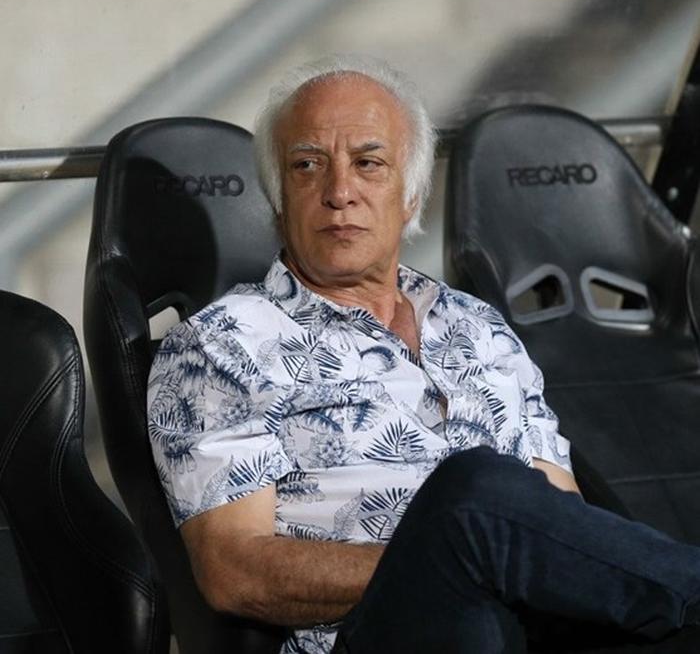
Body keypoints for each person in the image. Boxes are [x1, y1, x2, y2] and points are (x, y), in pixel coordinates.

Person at [147, 55, 700, 654]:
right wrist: (454, 557)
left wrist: (502, 561)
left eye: (369, 163)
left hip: (537, 632)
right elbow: (235, 571)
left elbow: (566, 528)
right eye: (307, 166)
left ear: (410, 198)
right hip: (379, 637)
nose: (339, 193)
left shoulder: (480, 327)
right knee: (476, 494)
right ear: (279, 203)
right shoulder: (220, 346)